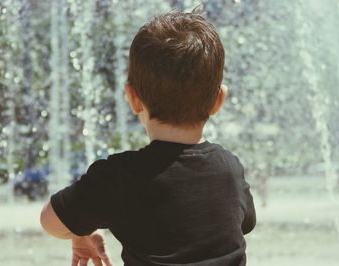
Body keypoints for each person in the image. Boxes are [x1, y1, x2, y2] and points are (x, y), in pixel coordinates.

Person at [40, 9, 256, 266]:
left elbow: (49, 222)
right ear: (218, 100)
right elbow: (245, 223)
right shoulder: (229, 169)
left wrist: (81, 230)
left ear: (132, 99)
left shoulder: (118, 176)